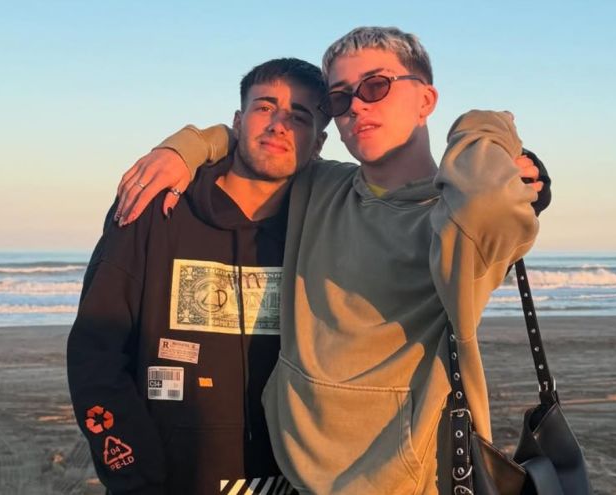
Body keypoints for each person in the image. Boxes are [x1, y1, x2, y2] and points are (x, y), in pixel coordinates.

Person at [115, 27, 550, 494]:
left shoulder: (452, 223)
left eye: (376, 86)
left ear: (426, 99)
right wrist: (187, 147)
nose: (356, 106)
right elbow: (257, 138)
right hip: (295, 472)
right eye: (340, 98)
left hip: (401, 479)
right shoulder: (320, 186)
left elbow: (487, 202)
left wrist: (487, 127)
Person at [67, 58, 330, 494]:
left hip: (289, 480)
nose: (279, 125)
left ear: (318, 143)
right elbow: (96, 352)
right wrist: (134, 472)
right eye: (265, 107)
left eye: (299, 117)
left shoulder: (326, 226)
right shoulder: (156, 209)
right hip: (167, 480)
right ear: (238, 122)